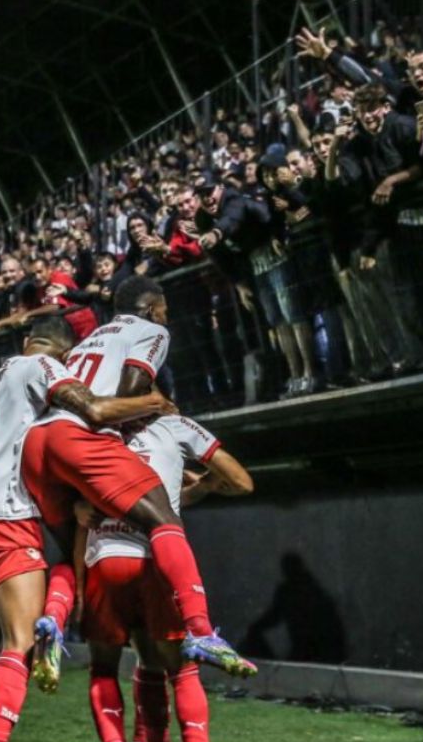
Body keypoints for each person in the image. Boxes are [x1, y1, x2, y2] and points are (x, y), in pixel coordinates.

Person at [0, 314, 173, 742]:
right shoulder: (44, 366)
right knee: (18, 648)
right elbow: (93, 409)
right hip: (8, 521)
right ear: (66, 353)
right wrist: (152, 403)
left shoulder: (5, 371)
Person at [22, 276, 255, 677]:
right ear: (151, 309)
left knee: (68, 548)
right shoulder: (152, 331)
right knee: (165, 518)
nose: (168, 315)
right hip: (87, 441)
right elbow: (130, 391)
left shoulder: (90, 339)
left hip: (40, 441)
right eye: (165, 308)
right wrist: (154, 404)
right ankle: (200, 630)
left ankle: (55, 622)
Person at [76, 414, 254, 742]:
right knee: (180, 669)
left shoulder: (92, 427)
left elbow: (73, 500)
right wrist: (205, 481)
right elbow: (242, 482)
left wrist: (75, 506)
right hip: (158, 556)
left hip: (104, 555)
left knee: (115, 667)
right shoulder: (174, 425)